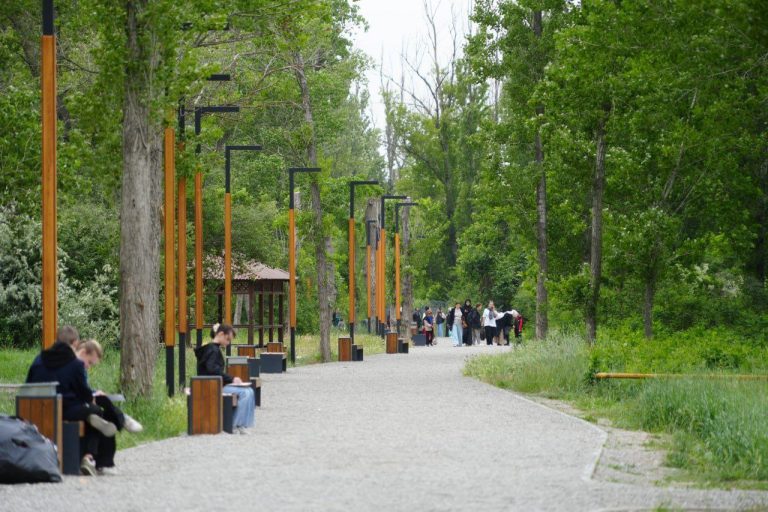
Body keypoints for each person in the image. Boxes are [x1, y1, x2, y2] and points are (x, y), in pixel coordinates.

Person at [26, 326, 133, 476]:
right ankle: (95, 457)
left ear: (57, 339)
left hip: (36, 409)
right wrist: (93, 396)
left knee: (94, 413)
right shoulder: (75, 364)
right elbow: (85, 394)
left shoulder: (39, 359)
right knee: (96, 410)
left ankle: (93, 450)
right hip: (65, 410)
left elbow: (28, 384)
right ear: (75, 342)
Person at [74, 339, 143, 476]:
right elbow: (76, 390)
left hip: (79, 403)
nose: (89, 367)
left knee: (105, 414)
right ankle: (122, 420)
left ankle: (102, 462)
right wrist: (92, 395)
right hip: (73, 405)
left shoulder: (79, 367)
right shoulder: (74, 365)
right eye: (90, 362)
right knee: (102, 409)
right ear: (83, 352)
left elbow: (82, 388)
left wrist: (94, 392)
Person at [195, 323, 255, 434]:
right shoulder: (212, 350)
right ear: (221, 334)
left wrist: (230, 380)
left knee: (250, 391)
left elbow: (213, 370)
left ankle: (242, 424)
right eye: (227, 339)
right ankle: (234, 425)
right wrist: (232, 379)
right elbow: (212, 370)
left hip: (214, 384)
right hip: (211, 386)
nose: (228, 343)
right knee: (246, 393)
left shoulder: (212, 349)